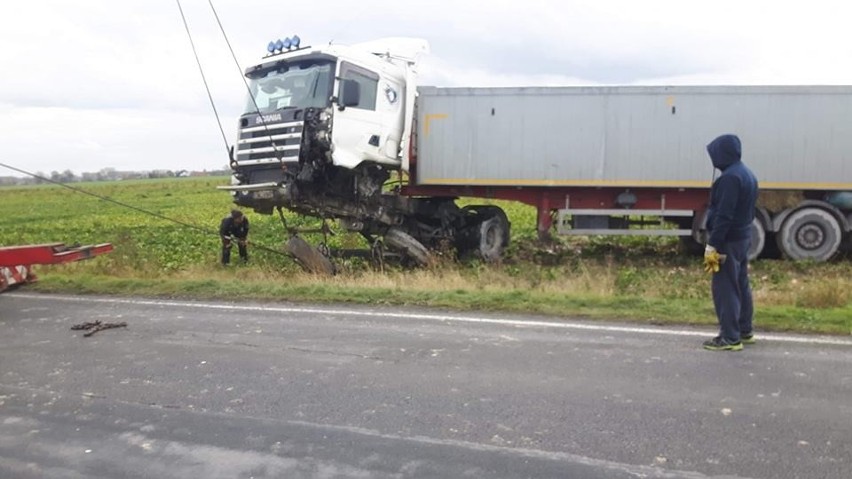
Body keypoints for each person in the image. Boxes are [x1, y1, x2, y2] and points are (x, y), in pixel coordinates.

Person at [702, 134, 759, 351]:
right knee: (741, 283)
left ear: (722, 154)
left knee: (724, 286)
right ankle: (745, 330)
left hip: (727, 241)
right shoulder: (747, 174)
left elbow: (724, 215)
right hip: (742, 238)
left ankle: (729, 337)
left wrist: (713, 244)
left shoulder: (729, 179)